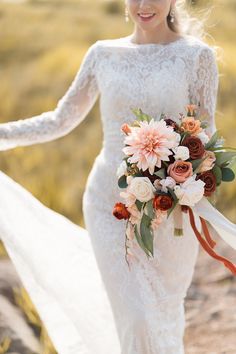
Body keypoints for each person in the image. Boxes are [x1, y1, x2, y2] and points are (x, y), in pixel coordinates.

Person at [0, 0, 235, 353]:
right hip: (108, 205)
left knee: (162, 314)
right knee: (135, 317)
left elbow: (205, 138)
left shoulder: (196, 57)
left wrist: (183, 183)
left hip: (169, 211)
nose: (143, 5)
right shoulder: (102, 54)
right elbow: (60, 120)